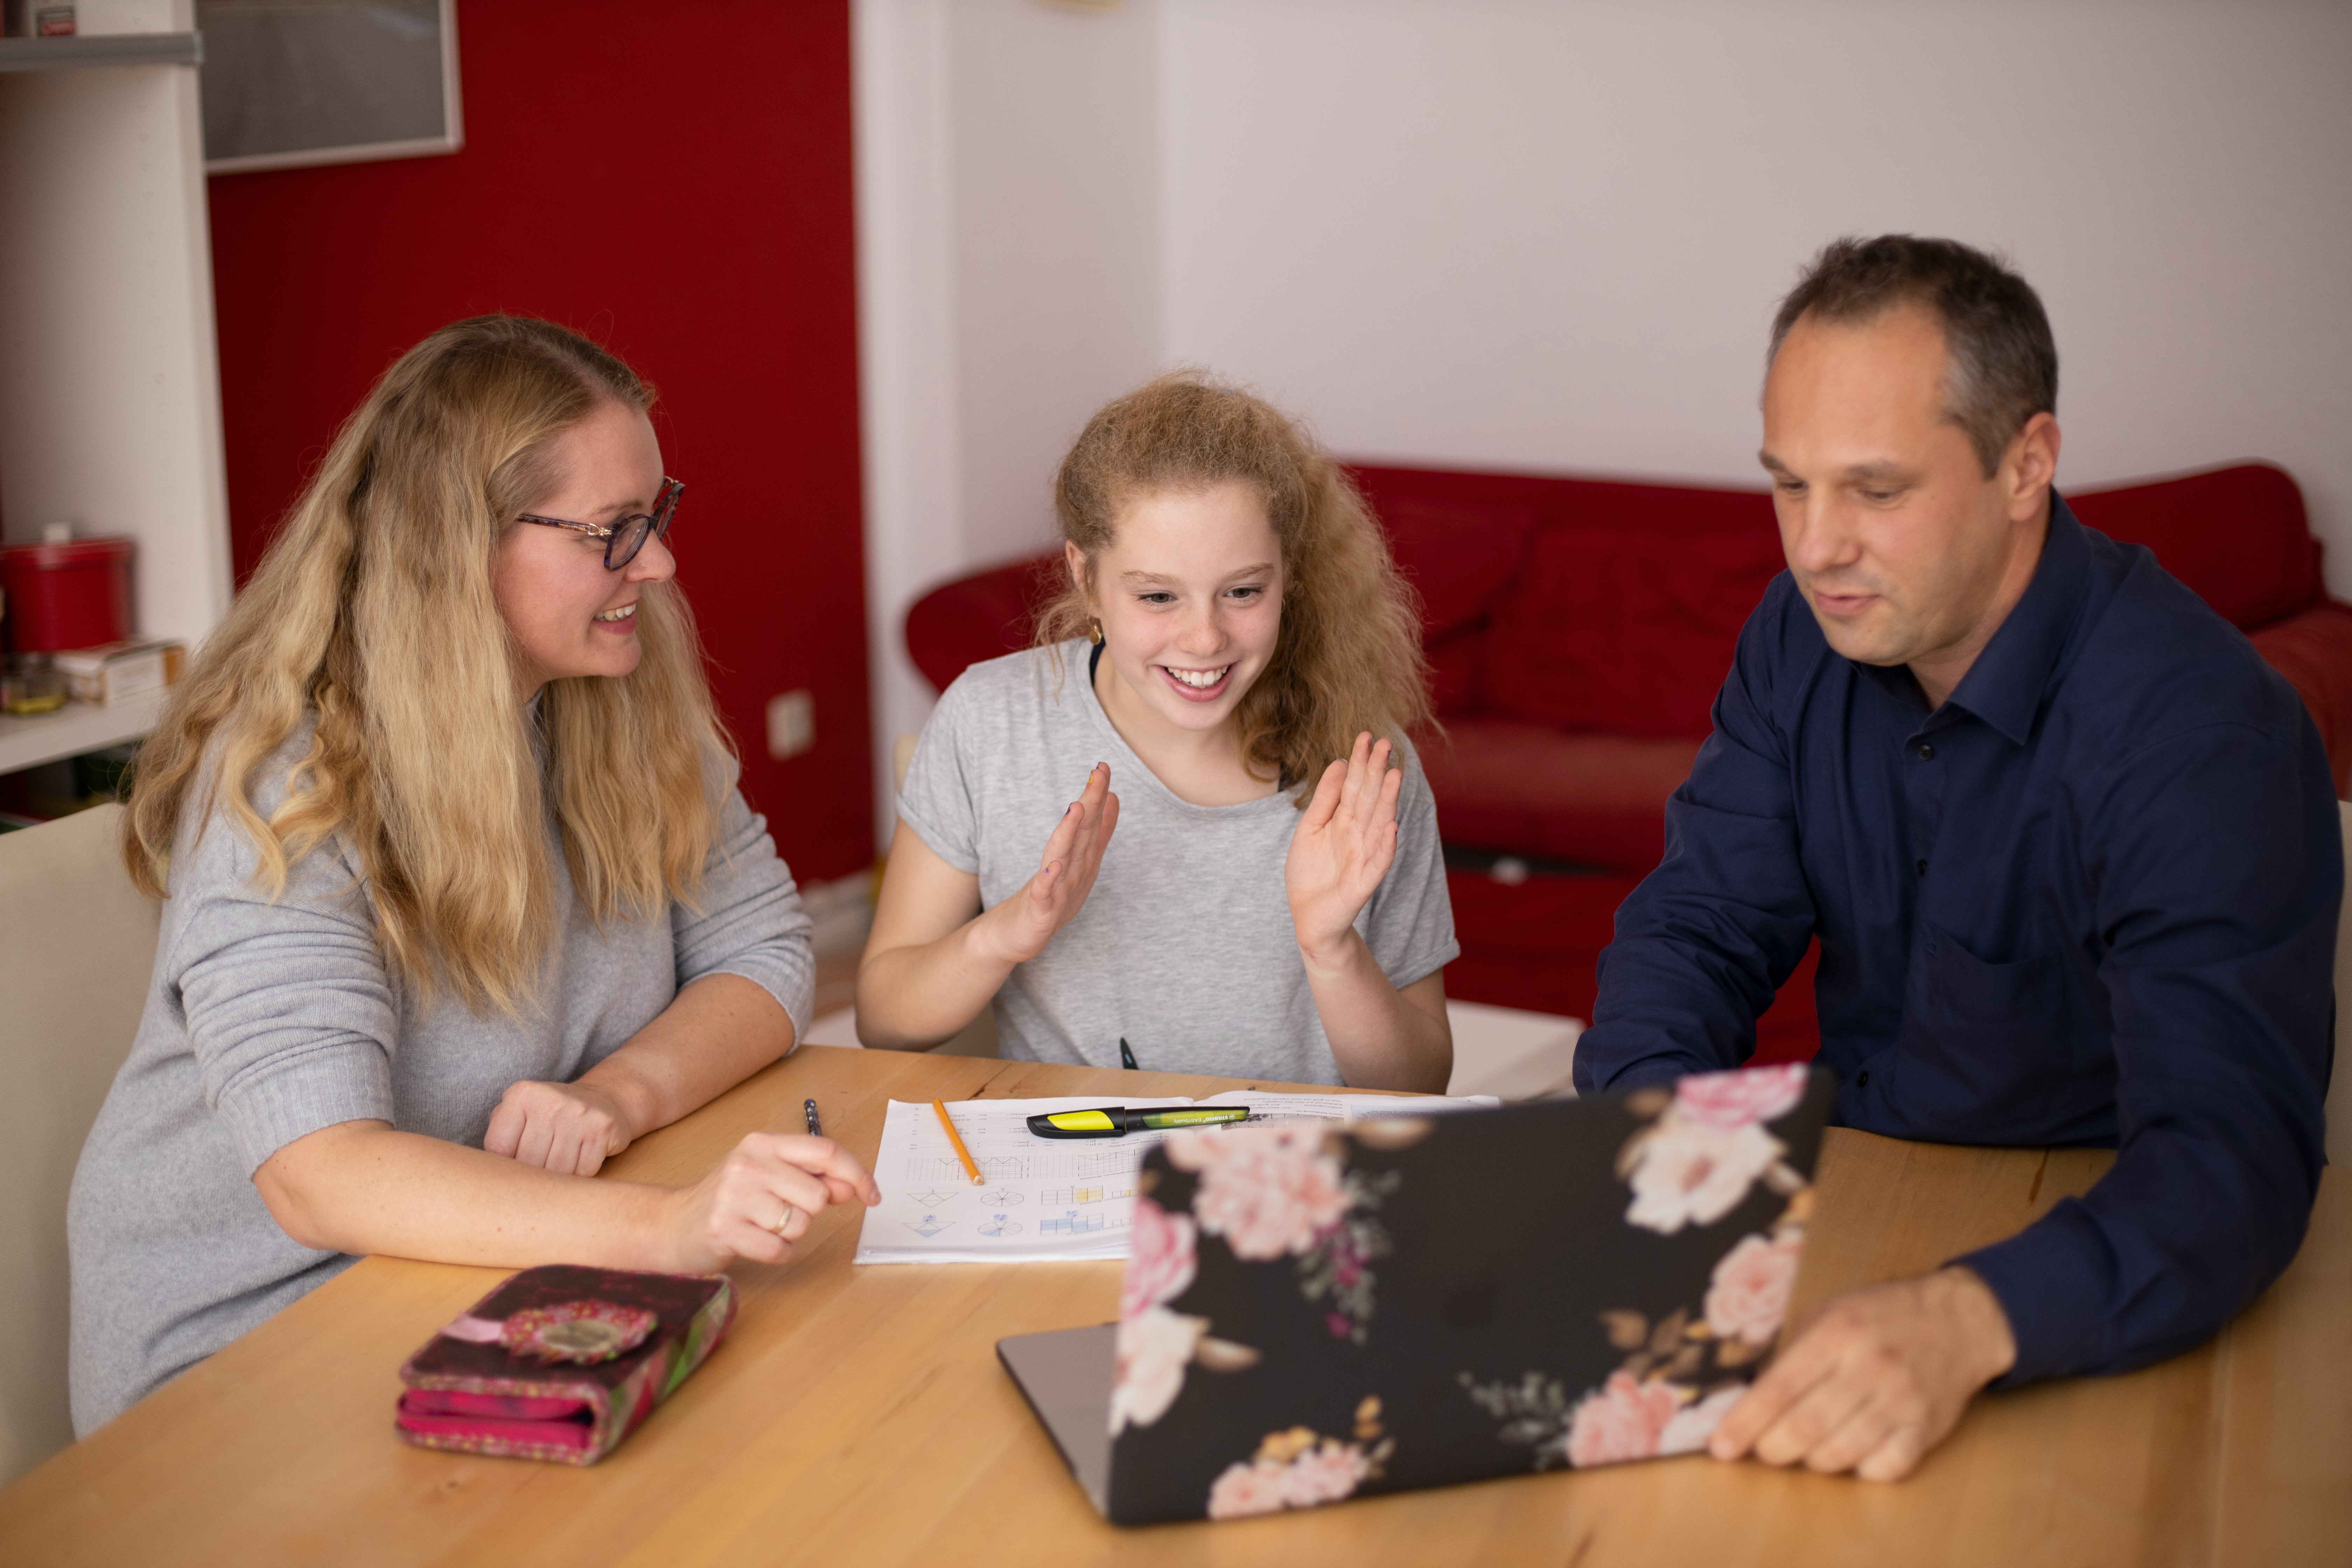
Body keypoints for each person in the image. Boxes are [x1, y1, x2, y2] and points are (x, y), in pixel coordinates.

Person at [1573, 236, 2339, 1480]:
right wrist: (1646, 1147)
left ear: (2026, 463)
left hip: (2090, 1275)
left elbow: (2231, 1160)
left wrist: (1966, 1319)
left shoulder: (2201, 733)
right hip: (1857, 1209)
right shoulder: (1800, 635)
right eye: (1788, 486)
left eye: (1875, 491)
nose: (1815, 550)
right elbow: (1699, 927)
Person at [69, 316, 878, 1434]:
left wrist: (618, 1096)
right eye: (613, 530)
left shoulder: (616, 687)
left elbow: (767, 953)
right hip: (250, 1343)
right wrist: (668, 1229)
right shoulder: (289, 780)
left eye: (657, 514)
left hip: (497, 1270)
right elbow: (319, 1174)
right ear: (459, 544)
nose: (658, 561)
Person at [858, 372, 1457, 1090]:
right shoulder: (991, 721)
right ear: (1086, 578)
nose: (1204, 638)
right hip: (1079, 1174)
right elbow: (882, 1014)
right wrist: (1009, 931)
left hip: (1290, 1179)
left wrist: (1331, 949)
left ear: (1289, 575)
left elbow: (1421, 1083)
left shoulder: (1361, 763)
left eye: (1243, 590)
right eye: (1157, 596)